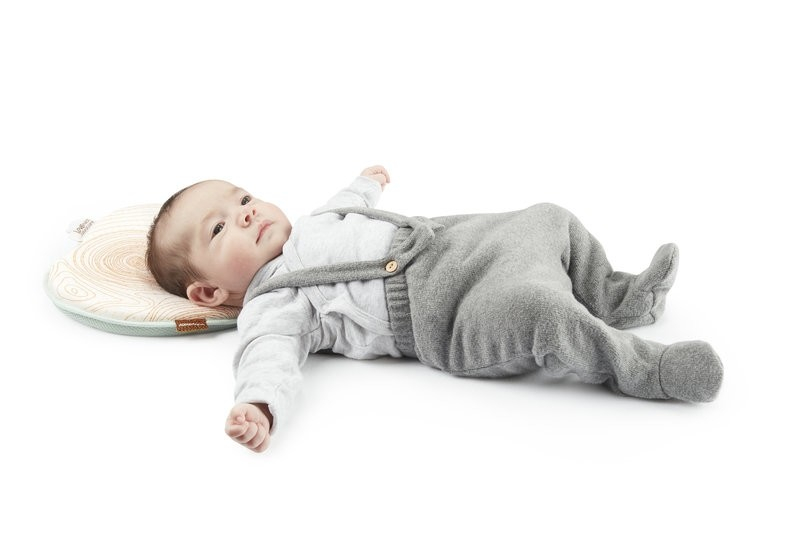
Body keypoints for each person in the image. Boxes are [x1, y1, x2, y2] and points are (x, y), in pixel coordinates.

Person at [146, 165, 724, 453]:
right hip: (442, 313)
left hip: (459, 241)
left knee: (548, 219)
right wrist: (258, 404)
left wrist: (366, 183)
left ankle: (616, 297)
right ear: (208, 294)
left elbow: (347, 203)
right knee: (540, 313)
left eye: (243, 198)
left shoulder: (312, 223)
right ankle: (647, 368)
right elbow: (267, 353)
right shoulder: (275, 299)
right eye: (220, 228)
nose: (246, 213)